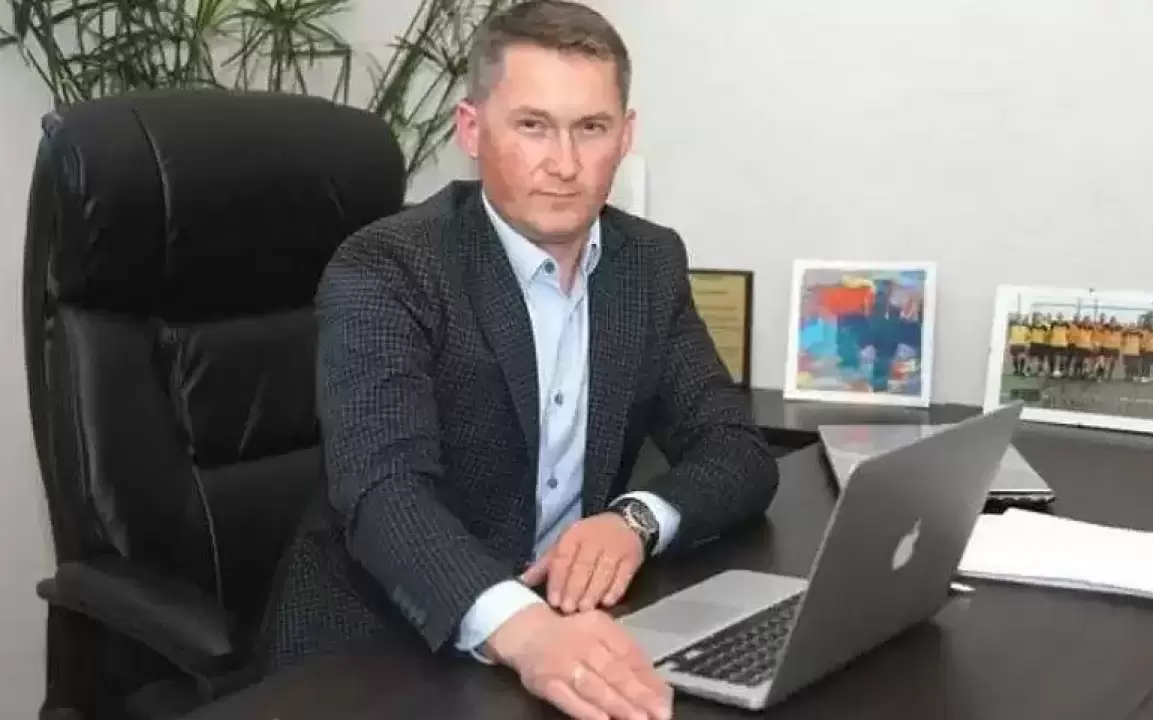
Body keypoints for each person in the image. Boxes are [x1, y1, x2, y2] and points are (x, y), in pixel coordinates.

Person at [262, 3, 780, 720]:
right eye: (533, 125)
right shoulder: (388, 267)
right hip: (375, 646)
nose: (564, 164)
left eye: (590, 128)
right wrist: (527, 632)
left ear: (625, 135)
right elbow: (383, 492)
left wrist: (634, 521)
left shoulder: (647, 263)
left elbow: (736, 447)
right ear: (471, 129)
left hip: (559, 630)